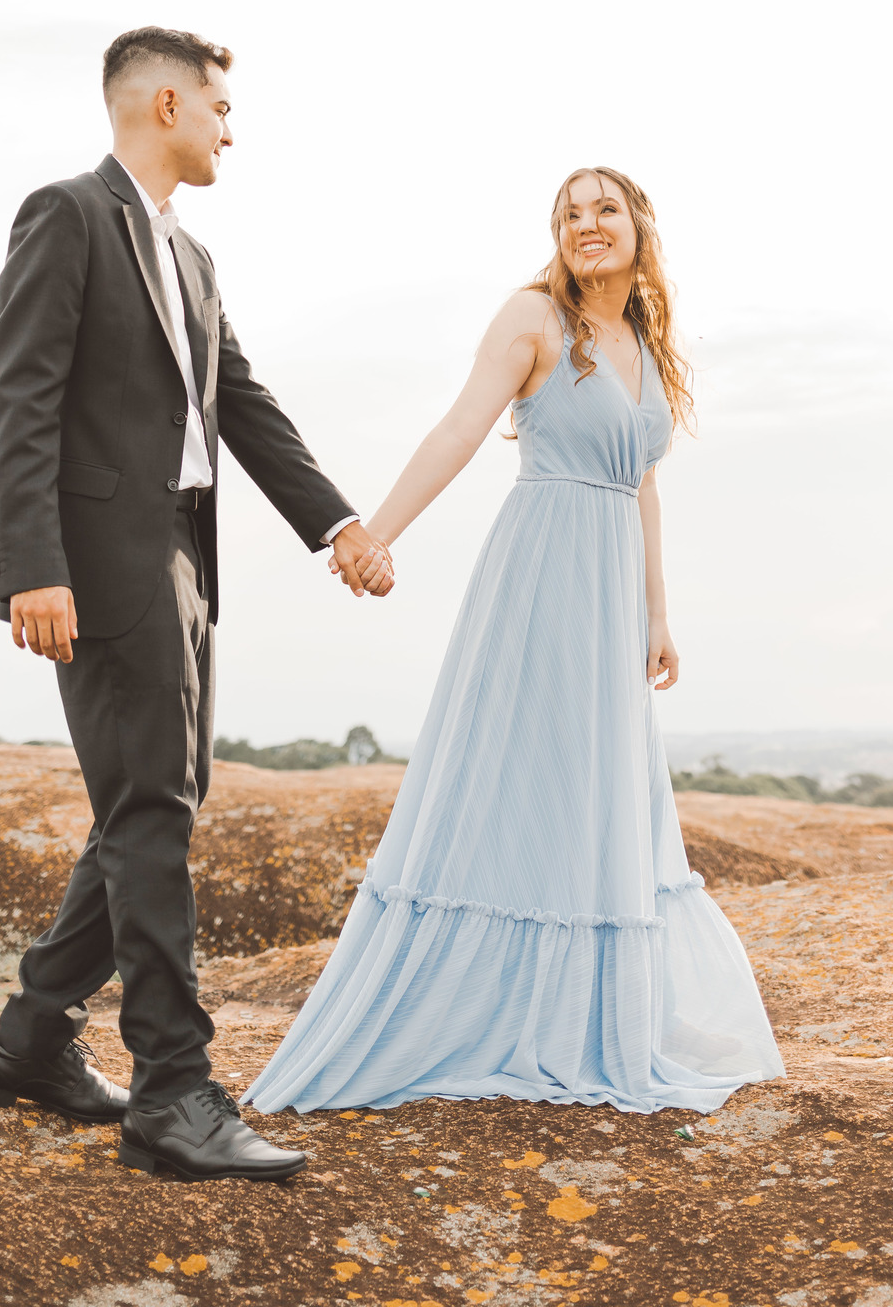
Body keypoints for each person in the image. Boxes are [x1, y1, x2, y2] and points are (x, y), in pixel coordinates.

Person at [246, 166, 784, 1115]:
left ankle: (582, 1014)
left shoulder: (646, 341)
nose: (587, 225)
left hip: (612, 580)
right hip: (542, 570)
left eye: (605, 209)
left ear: (639, 226)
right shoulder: (532, 318)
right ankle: (478, 1006)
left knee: (594, 786)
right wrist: (374, 531)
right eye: (570, 214)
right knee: (525, 777)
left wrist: (658, 613)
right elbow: (462, 426)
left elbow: (643, 480)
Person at [0, 26, 392, 1181]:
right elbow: (17, 399)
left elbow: (239, 404)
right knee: (152, 808)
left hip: (183, 563)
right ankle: (175, 1092)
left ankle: (26, 1042)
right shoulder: (65, 216)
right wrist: (31, 566)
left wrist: (338, 524)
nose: (229, 129)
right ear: (165, 104)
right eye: (220, 109)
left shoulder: (193, 259)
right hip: (99, 562)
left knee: (156, 801)